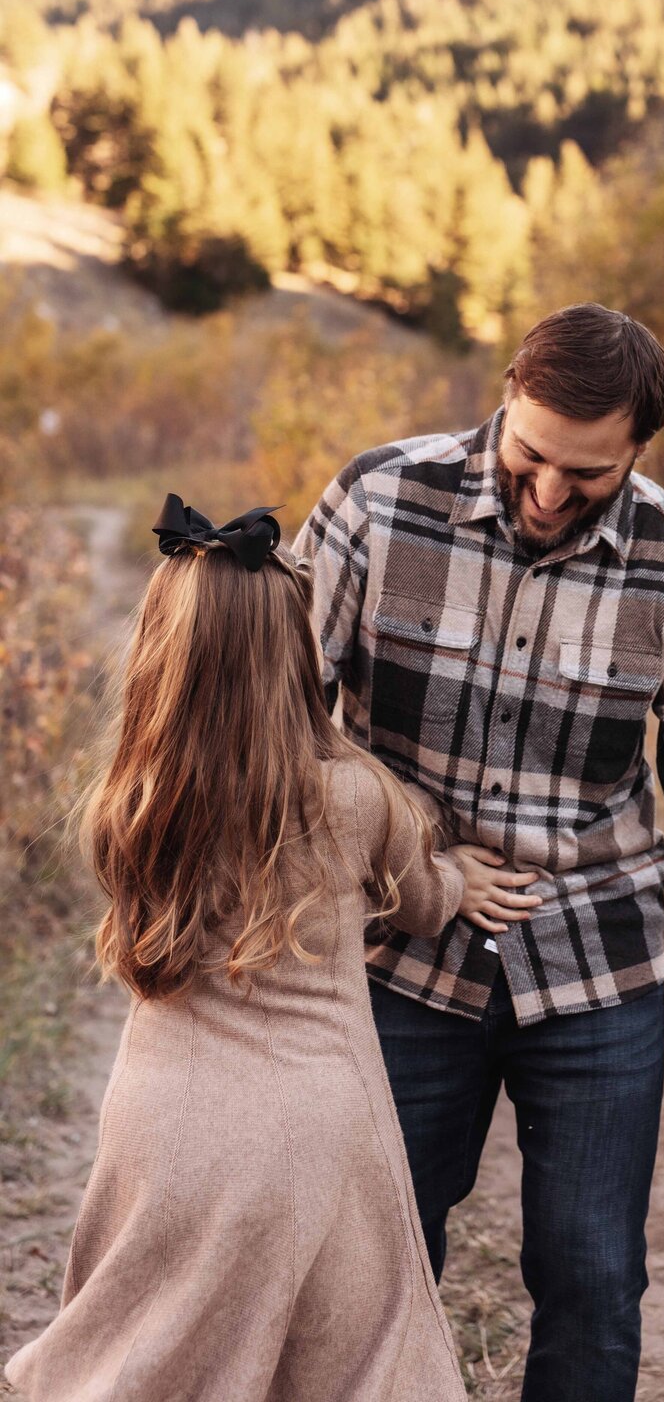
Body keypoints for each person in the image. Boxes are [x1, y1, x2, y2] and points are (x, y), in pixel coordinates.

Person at [295, 303, 664, 1402]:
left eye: (585, 475)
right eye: (531, 453)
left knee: (593, 1280)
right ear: (504, 394)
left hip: (596, 970)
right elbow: (278, 729)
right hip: (398, 957)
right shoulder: (378, 499)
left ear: (639, 449)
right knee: (373, 1263)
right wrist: (409, 868)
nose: (547, 493)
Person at [5, 496, 467, 1402]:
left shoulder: (130, 801)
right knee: (350, 1358)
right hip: (309, 1125)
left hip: (158, 1122)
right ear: (297, 653)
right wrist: (460, 878)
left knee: (151, 1349)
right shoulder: (356, 798)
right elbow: (419, 906)